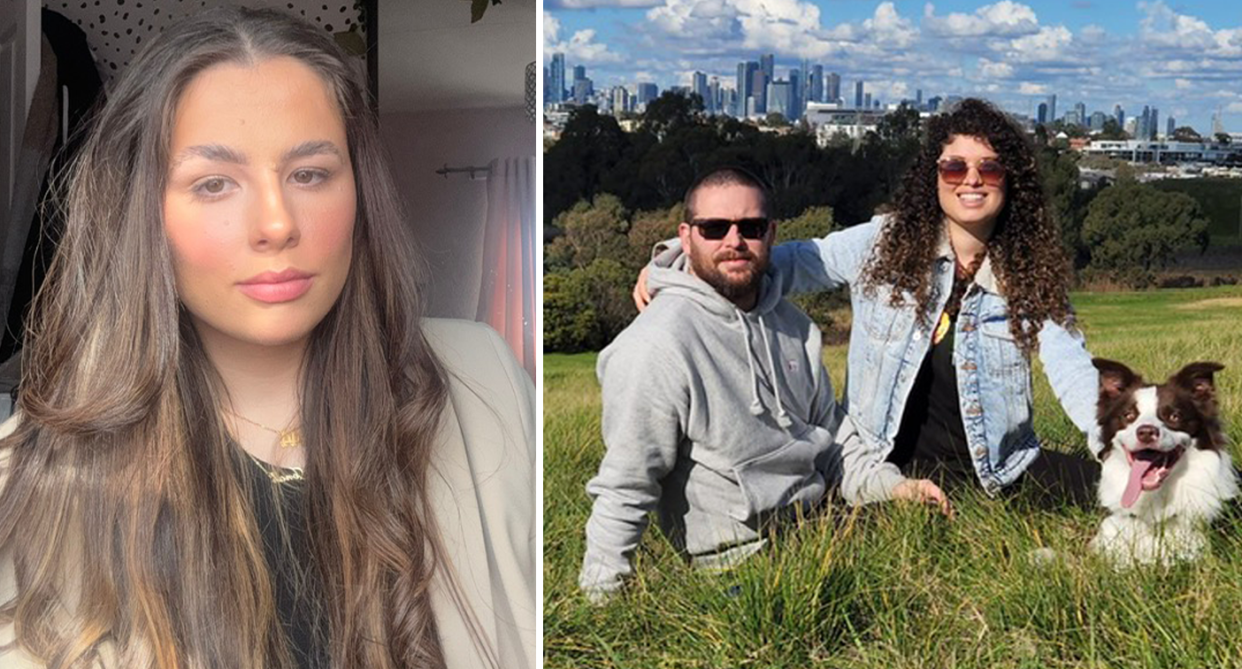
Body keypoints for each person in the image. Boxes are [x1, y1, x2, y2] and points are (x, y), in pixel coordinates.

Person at [0, 8, 533, 669]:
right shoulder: (28, 474)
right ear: (142, 214)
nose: (277, 223)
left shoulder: (482, 376)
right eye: (215, 183)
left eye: (310, 173)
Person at [635, 99, 1101, 514]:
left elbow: (1071, 366)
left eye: (990, 167)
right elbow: (782, 261)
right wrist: (676, 264)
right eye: (955, 167)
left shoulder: (1028, 272)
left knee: (1128, 497)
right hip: (881, 466)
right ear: (934, 175)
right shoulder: (883, 242)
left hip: (999, 470)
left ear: (1009, 179)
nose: (972, 180)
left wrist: (1111, 439)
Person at [580, 168, 846, 602]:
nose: (734, 241)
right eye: (715, 228)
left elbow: (832, 435)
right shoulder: (656, 345)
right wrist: (601, 601)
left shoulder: (795, 327)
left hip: (822, 534)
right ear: (685, 238)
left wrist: (890, 487)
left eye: (752, 227)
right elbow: (626, 483)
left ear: (772, 234)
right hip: (732, 573)